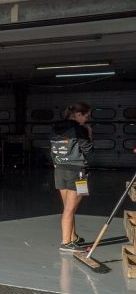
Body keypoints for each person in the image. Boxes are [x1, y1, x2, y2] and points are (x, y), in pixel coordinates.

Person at [50, 102, 94, 253]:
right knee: (70, 209)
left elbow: (52, 150)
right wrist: (89, 133)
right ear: (78, 114)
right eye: (86, 116)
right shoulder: (79, 129)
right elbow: (88, 150)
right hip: (78, 172)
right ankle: (66, 243)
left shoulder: (55, 127)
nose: (86, 120)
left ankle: (73, 237)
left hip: (60, 171)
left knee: (68, 208)